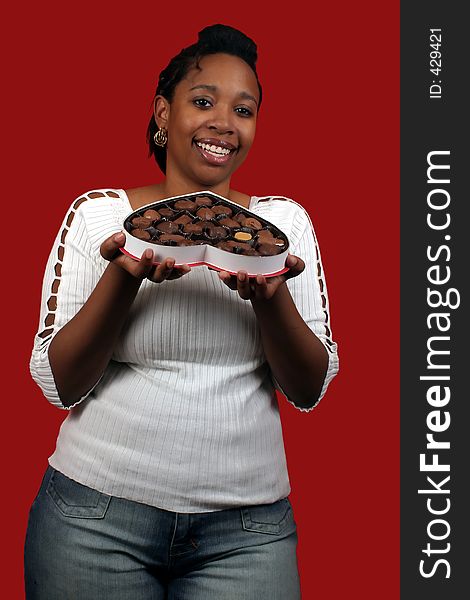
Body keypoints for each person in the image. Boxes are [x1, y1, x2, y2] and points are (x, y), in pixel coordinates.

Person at [25, 24, 339, 600]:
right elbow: (61, 384)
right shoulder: (99, 217)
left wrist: (273, 299)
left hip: (247, 535)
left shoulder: (284, 228)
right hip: (93, 522)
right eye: (202, 102)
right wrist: (124, 275)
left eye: (244, 109)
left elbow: (309, 389)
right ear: (162, 113)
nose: (224, 122)